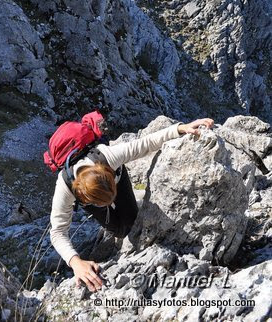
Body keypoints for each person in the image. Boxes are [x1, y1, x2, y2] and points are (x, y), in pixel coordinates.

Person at [50, 117, 214, 292]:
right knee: (120, 231)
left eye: (111, 195)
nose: (111, 201)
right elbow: (57, 232)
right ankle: (106, 202)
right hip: (96, 194)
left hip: (117, 180)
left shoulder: (109, 156)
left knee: (131, 222)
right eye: (105, 201)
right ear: (83, 196)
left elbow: (146, 143)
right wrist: (75, 262)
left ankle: (126, 189)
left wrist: (181, 128)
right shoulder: (65, 187)